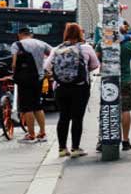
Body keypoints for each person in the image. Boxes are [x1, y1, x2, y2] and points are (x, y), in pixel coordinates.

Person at [46, 23, 99, 157]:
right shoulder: (86, 48)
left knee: (63, 117)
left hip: (60, 88)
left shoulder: (57, 49)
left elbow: (46, 66)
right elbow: (95, 65)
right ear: (80, 33)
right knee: (77, 118)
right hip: (80, 88)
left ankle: (62, 149)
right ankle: (75, 148)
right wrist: (83, 70)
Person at [11, 26, 52, 142]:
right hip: (39, 78)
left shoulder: (16, 44)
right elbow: (53, 55)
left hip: (25, 79)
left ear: (19, 35)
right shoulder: (41, 43)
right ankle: (42, 133)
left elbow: (14, 64)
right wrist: (47, 69)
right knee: (37, 105)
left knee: (27, 107)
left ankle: (31, 135)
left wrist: (14, 73)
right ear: (31, 35)